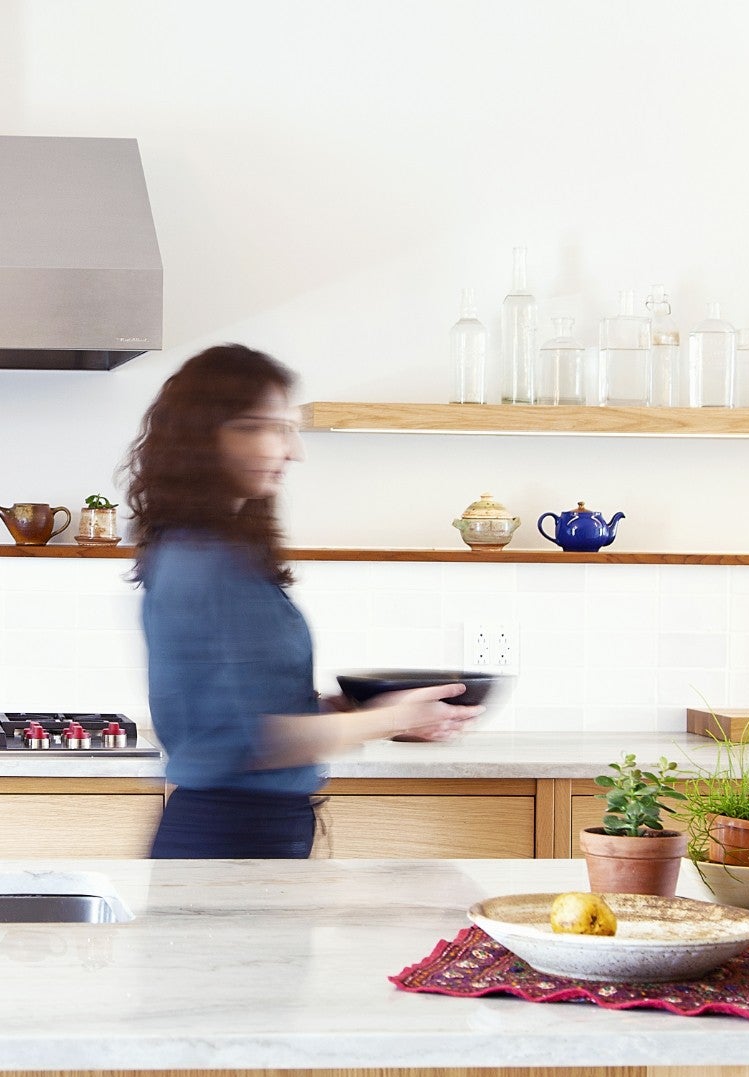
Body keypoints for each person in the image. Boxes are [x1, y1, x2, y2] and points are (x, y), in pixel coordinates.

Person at [126, 344, 482, 859]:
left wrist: (366, 709)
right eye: (264, 426)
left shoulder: (227, 555)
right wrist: (392, 720)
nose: (294, 451)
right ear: (203, 438)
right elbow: (238, 739)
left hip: (256, 833)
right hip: (224, 841)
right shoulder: (198, 561)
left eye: (287, 429)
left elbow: (261, 709)